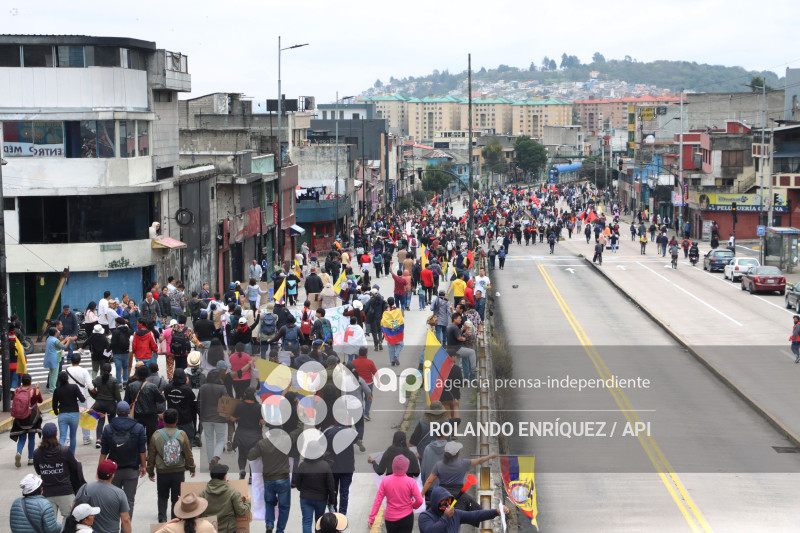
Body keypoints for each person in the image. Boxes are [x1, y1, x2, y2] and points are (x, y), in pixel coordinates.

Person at [99, 401, 147, 521]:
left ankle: (114, 526)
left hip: (113, 471)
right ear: (128, 412)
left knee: (113, 500)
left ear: (117, 412)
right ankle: (126, 526)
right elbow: (142, 450)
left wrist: (100, 470)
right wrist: (143, 466)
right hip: (132, 470)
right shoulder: (138, 427)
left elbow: (104, 451)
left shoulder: (109, 428)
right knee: (129, 500)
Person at [147, 408, 196, 523]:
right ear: (177, 420)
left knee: (162, 496)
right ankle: (175, 520)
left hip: (162, 471)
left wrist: (150, 471)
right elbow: (188, 453)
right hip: (178, 471)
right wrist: (192, 468)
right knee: (176, 497)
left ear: (163, 420)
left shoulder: (156, 435)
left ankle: (162, 519)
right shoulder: (182, 434)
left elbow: (152, 454)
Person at [421, 442, 497, 511]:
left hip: (442, 493)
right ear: (457, 454)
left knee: (430, 511)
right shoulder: (464, 463)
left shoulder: (439, 465)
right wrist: (490, 456)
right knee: (478, 510)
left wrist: (422, 494)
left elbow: (429, 481)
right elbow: (480, 461)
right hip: (459, 494)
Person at [33, 422, 83, 520]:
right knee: (70, 519)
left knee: (49, 521)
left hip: (47, 492)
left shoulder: (37, 453)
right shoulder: (65, 451)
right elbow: (74, 467)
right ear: (56, 434)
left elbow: (38, 471)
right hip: (65, 490)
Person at [247, 430, 292, 533]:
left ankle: (269, 525)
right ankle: (280, 530)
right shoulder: (286, 441)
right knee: (284, 506)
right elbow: (297, 432)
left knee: (269, 503)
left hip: (268, 479)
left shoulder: (262, 443)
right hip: (283, 478)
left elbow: (250, 456)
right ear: (280, 432)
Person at [368, 455, 424, 533]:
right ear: (407, 467)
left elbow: (378, 500)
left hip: (390, 518)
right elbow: (420, 501)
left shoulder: (385, 481)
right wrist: (413, 505)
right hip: (407, 517)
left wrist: (371, 518)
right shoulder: (411, 482)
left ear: (393, 466)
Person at [74, 460, 132, 533]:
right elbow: (126, 519)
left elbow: (74, 508)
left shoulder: (85, 488)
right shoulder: (119, 493)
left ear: (98, 473)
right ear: (112, 475)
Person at [418, 487, 508, 533]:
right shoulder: (425, 517)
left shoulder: (455, 514)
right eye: (444, 503)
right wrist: (446, 517)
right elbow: (431, 531)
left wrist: (496, 511)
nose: (448, 505)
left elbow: (476, 515)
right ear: (435, 503)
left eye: (449, 502)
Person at [292, 441, 337, 533]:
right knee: (319, 522)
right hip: (321, 498)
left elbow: (297, 481)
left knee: (306, 522)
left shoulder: (302, 465)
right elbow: (331, 485)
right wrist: (332, 500)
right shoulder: (325, 465)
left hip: (305, 497)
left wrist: (301, 489)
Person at [199, 463, 252, 533]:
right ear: (224, 477)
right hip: (228, 530)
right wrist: (247, 501)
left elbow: (197, 514)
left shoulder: (203, 494)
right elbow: (241, 512)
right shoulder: (233, 493)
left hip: (211, 529)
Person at [123, 365, 164, 446]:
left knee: (138, 437)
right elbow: (161, 400)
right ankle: (150, 452)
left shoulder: (131, 386)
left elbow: (127, 400)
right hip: (151, 415)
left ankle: (140, 452)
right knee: (151, 437)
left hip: (137, 415)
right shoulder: (152, 386)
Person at [197, 368, 230, 468]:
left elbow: (199, 403)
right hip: (220, 418)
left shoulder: (203, 387)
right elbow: (227, 402)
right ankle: (215, 458)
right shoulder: (222, 388)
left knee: (209, 440)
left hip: (205, 417)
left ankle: (210, 462)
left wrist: (200, 415)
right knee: (220, 440)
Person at [230, 387, 264, 479]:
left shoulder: (239, 405)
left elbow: (233, 418)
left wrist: (232, 416)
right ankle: (251, 476)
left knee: (242, 455)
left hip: (241, 434)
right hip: (255, 436)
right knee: (253, 457)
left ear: (245, 394)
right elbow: (262, 422)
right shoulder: (258, 407)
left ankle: (242, 470)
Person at [10, 373, 44, 468]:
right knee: (31, 438)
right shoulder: (35, 391)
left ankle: (19, 452)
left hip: (20, 418)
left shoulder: (17, 391)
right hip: (32, 418)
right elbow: (40, 401)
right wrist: (37, 389)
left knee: (22, 438)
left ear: (21, 381)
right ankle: (31, 459)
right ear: (30, 381)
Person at [52, 371, 85, 455]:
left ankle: (61, 455)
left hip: (62, 414)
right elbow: (82, 399)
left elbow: (54, 404)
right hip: (74, 414)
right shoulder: (74, 387)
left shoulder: (57, 390)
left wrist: (56, 412)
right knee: (72, 436)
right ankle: (72, 456)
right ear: (68, 378)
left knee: (62, 437)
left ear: (59, 380)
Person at [91, 363, 121, 448]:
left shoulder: (97, 379)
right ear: (110, 370)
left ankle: (98, 440)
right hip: (110, 404)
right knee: (111, 422)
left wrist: (95, 396)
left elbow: (90, 387)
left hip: (99, 403)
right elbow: (117, 395)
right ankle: (112, 439)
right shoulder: (114, 380)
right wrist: (119, 403)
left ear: (102, 370)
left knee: (100, 422)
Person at [45, 327, 75, 393]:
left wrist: (65, 339)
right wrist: (68, 340)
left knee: (51, 374)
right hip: (55, 359)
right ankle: (52, 389)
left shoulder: (49, 338)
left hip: (50, 358)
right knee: (54, 375)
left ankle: (51, 387)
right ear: (55, 333)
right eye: (57, 332)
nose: (58, 332)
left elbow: (59, 344)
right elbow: (64, 347)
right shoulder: (55, 340)